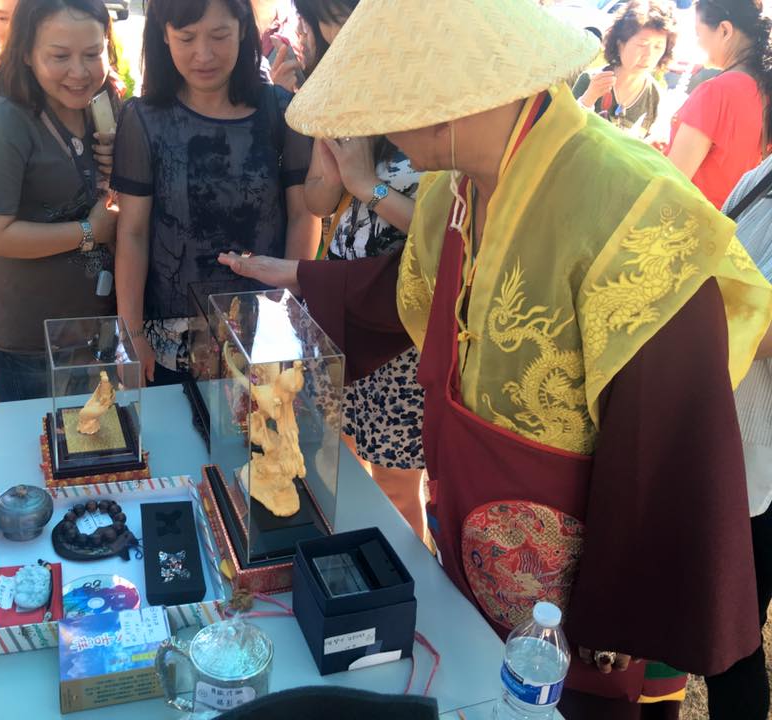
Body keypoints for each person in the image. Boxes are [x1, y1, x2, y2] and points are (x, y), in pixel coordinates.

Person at [218, 0, 772, 717]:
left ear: (448, 100)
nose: (380, 130)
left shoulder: (633, 206)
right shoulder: (457, 183)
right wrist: (299, 277)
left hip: (570, 583)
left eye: (388, 107)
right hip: (469, 530)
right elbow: (416, 288)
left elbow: (664, 434)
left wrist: (617, 613)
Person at [112, 0, 319, 385]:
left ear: (242, 29)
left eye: (219, 35)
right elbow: (133, 232)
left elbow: (303, 215)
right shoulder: (143, 119)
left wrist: (286, 310)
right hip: (170, 339)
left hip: (263, 331)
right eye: (186, 38)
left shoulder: (279, 111)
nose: (203, 55)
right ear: (164, 35)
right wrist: (132, 333)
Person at [295, 0, 427, 541]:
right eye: (326, 19)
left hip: (403, 319)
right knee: (337, 458)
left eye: (347, 11)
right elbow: (316, 201)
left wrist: (366, 185)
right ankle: (346, 564)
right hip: (340, 302)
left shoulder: (432, 90)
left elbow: (450, 232)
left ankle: (411, 579)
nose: (340, 29)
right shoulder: (338, 84)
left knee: (397, 481)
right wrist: (334, 174)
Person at [0, 0, 120, 401]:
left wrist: (122, 161)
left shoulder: (103, 102)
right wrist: (90, 231)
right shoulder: (0, 118)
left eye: (92, 54)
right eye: (60, 57)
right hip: (29, 337)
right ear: (27, 52)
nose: (80, 72)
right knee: (43, 436)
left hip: (96, 323)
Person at [702, 158, 772, 719]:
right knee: (727, 632)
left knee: (734, 642)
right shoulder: (762, 177)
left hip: (762, 460)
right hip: (737, 446)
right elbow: (712, 255)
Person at [666, 0, 769, 209]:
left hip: (687, 219)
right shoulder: (764, 89)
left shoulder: (717, 91)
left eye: (698, 33)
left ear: (724, 30)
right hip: (729, 224)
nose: (697, 42)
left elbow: (671, 184)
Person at [571, 0, 675, 139]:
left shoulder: (656, 97)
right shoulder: (591, 80)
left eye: (658, 47)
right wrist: (587, 100)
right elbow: (564, 129)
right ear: (620, 43)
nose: (649, 55)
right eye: (642, 44)